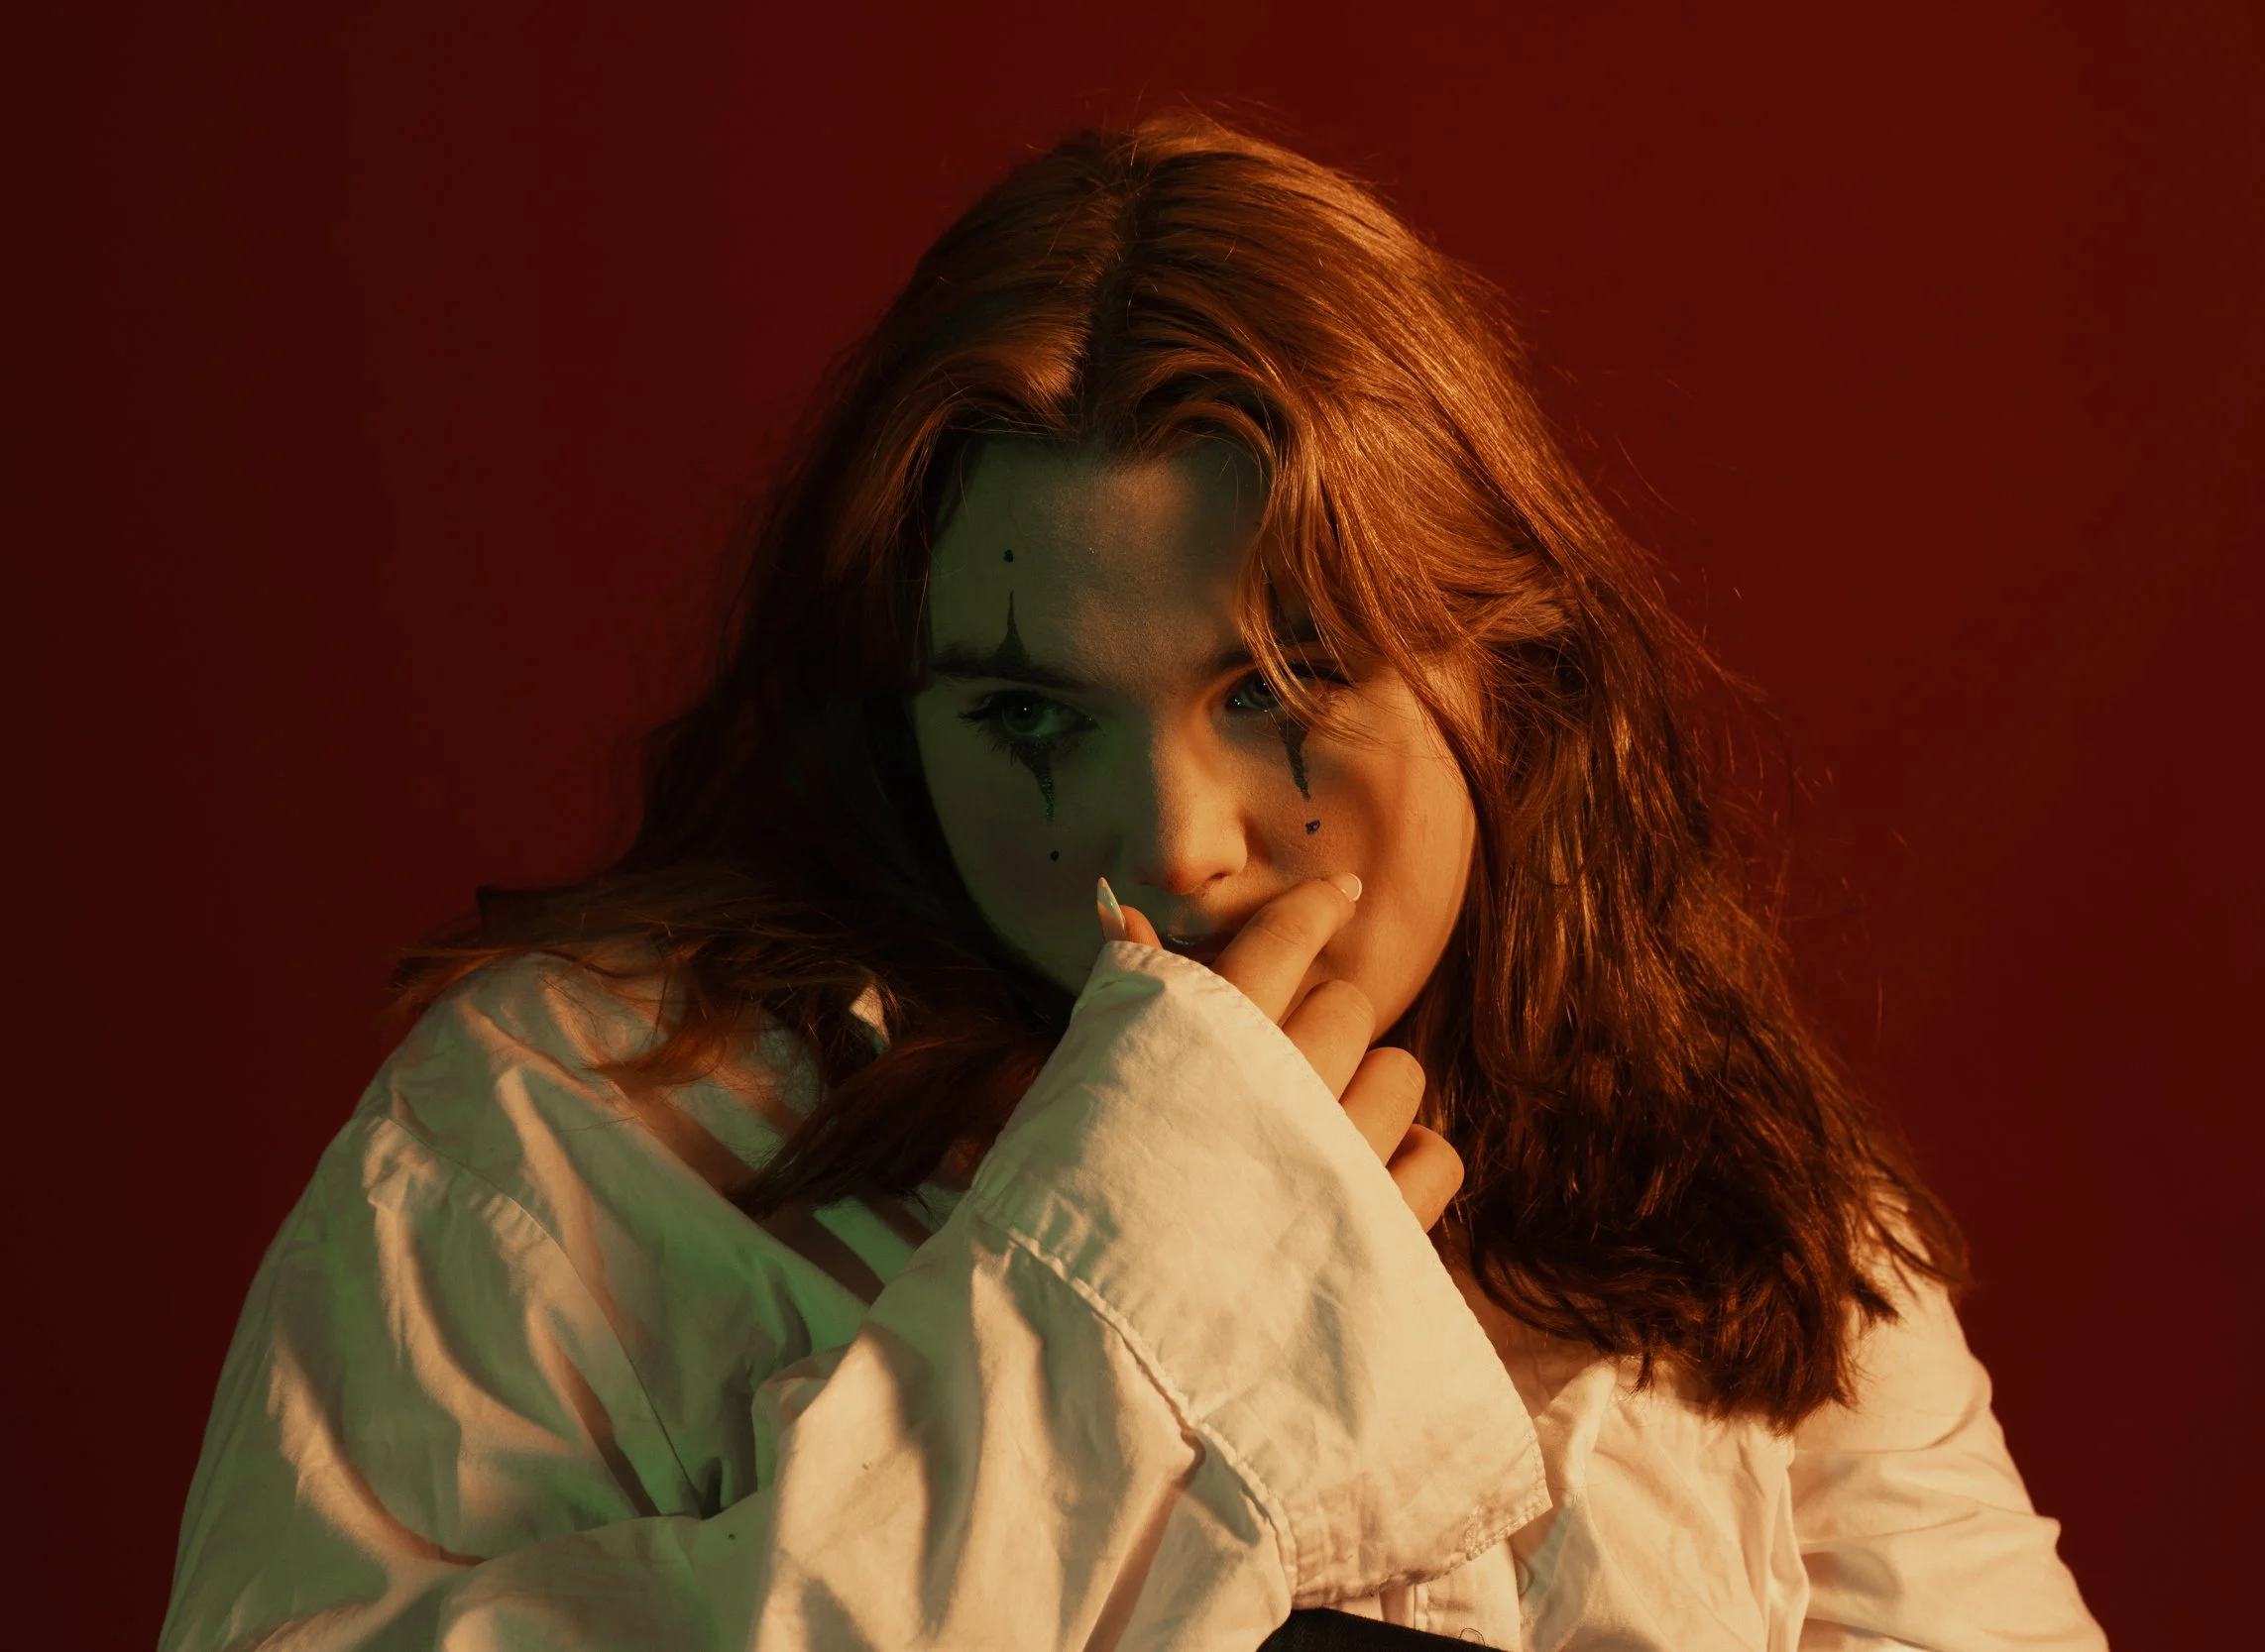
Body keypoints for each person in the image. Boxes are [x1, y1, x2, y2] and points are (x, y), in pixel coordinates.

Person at [160, 110, 2106, 1650]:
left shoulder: (1737, 1211)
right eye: (1023, 714)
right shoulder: (570, 1134)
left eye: (1275, 689)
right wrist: (1132, 1297)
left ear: (1501, 679)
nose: (1167, 840)